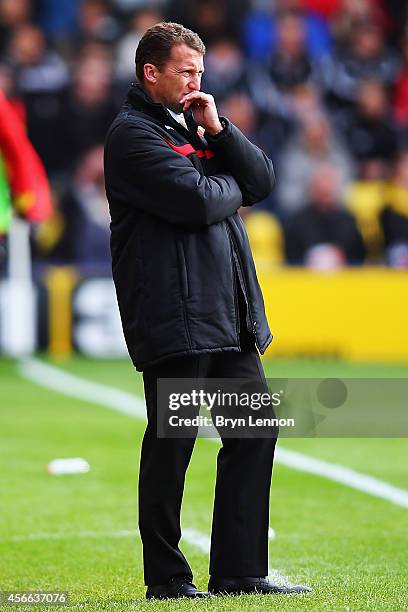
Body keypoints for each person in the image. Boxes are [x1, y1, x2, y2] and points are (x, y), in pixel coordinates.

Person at [104, 21, 310, 599]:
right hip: (175, 316)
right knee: (173, 447)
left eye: (199, 72)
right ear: (151, 73)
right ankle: (167, 580)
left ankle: (241, 572)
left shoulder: (196, 125)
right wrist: (229, 184)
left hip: (226, 313)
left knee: (254, 433)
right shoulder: (131, 135)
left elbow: (260, 179)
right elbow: (198, 201)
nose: (196, 82)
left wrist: (219, 130)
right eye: (184, 72)